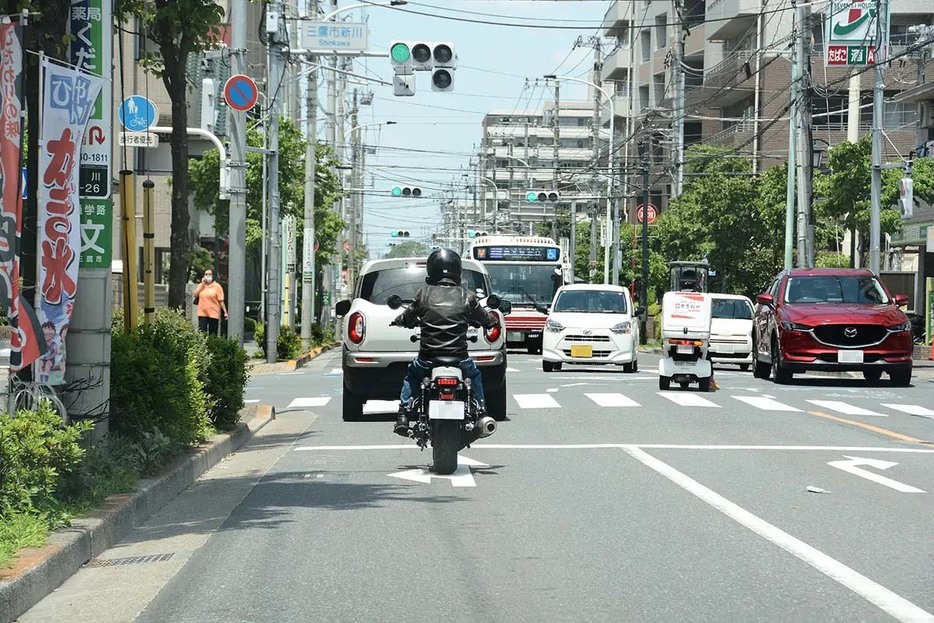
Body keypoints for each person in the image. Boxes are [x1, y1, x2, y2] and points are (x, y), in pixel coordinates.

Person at [390, 248, 496, 437]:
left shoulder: (423, 294)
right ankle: (481, 412)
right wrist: (490, 321)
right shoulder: (468, 296)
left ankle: (404, 415)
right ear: (457, 270)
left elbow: (408, 316)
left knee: (412, 375)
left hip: (428, 358)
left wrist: (399, 321)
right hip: (459, 359)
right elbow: (485, 318)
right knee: (475, 375)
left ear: (432, 270)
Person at [193, 269, 227, 336]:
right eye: (206, 274)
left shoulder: (217, 286)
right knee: (202, 333)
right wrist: (202, 284)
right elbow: (195, 294)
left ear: (212, 276)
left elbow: (221, 300)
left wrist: (225, 312)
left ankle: (212, 346)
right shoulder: (201, 285)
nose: (208, 276)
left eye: (209, 274)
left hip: (213, 313)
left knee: (213, 333)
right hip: (202, 313)